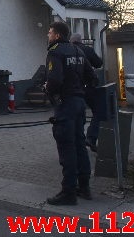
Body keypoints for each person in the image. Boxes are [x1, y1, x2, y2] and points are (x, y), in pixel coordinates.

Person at [44, 22, 95, 205]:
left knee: (67, 148)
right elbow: (92, 77)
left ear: (57, 35)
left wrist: (48, 89)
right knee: (80, 145)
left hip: (65, 105)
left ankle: (68, 193)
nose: (48, 36)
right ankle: (85, 187)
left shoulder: (55, 52)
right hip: (79, 103)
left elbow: (54, 80)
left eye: (50, 33)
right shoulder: (78, 51)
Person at [70, 33, 103, 152]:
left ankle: (76, 142)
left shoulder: (67, 52)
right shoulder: (87, 50)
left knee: (76, 115)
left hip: (73, 90)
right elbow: (99, 63)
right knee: (99, 112)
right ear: (81, 41)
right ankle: (91, 137)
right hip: (88, 88)